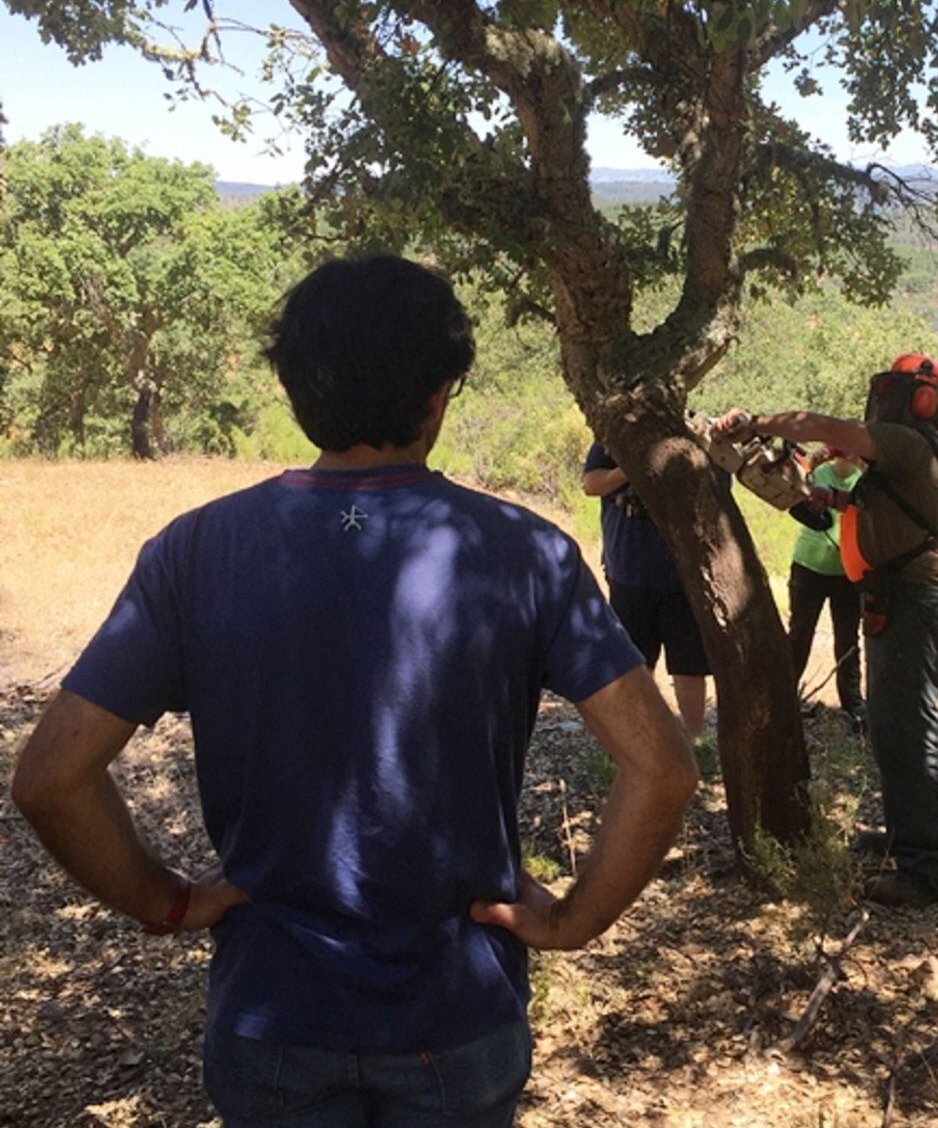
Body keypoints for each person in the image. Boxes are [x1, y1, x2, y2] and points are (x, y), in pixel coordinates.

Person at [13, 256, 698, 1127]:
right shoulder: (527, 554)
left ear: (297, 391)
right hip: (458, 1018)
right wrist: (573, 920)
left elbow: (49, 779)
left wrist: (166, 900)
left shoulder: (195, 552)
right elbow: (663, 768)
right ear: (441, 393)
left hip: (271, 1014)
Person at [710, 353, 938, 909]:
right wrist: (829, 498)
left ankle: (923, 869)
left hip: (913, 601)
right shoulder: (905, 455)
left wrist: (757, 423)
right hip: (900, 600)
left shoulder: (907, 444)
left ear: (918, 399)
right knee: (893, 728)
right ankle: (906, 838)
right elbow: (883, 508)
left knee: (906, 731)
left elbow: (823, 427)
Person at [582, 443, 713, 738]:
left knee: (688, 666)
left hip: (683, 578)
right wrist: (631, 467)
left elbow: (718, 487)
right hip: (628, 573)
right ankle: (638, 738)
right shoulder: (613, 436)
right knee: (634, 663)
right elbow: (591, 484)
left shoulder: (690, 437)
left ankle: (694, 741)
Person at [788, 448, 867, 732]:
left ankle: (853, 703)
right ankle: (785, 696)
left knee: (847, 638)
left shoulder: (862, 480)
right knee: (800, 633)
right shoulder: (818, 475)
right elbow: (797, 491)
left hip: (848, 570)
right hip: (809, 566)